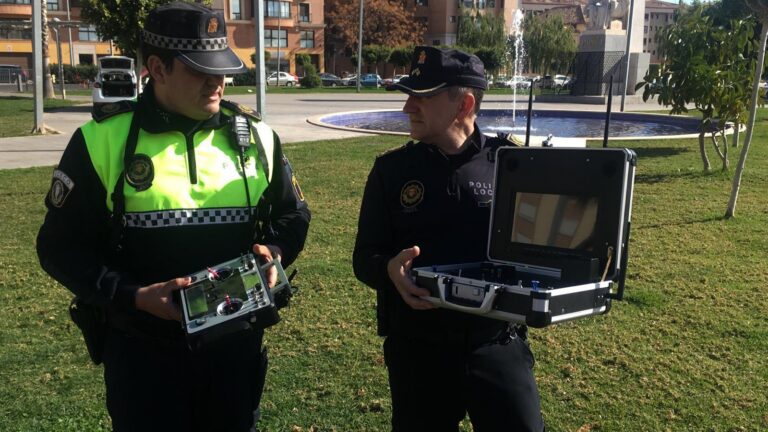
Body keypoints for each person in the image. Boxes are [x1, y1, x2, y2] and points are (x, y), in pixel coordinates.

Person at [36, 3, 310, 431]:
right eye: (201, 70)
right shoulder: (99, 141)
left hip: (234, 355)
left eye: (221, 68)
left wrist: (274, 251)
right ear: (157, 69)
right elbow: (57, 247)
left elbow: (294, 215)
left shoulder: (257, 136)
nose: (218, 82)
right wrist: (133, 295)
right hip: (143, 358)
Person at [352, 46, 544, 432]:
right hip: (419, 351)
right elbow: (364, 257)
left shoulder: (512, 164)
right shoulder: (391, 170)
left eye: (422, 97)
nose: (408, 107)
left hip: (496, 342)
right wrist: (388, 270)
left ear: (465, 103)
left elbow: (539, 249)